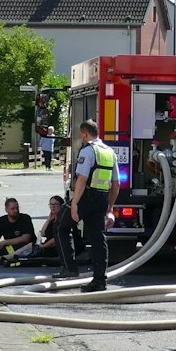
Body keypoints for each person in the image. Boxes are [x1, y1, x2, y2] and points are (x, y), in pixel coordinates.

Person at [68, 119, 120, 291]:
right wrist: (110, 208)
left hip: (87, 198)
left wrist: (74, 204)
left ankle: (68, 269)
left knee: (60, 225)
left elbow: (81, 179)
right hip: (102, 199)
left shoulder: (88, 150)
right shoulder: (109, 152)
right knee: (98, 239)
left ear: (85, 134)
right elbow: (116, 183)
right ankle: (100, 280)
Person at [0, 197, 36, 264]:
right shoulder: (0, 221)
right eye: (13, 209)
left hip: (24, 246)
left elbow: (26, 238)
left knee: (11, 249)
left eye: (17, 208)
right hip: (8, 246)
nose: (16, 211)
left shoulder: (25, 218)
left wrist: (4, 242)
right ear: (6, 210)